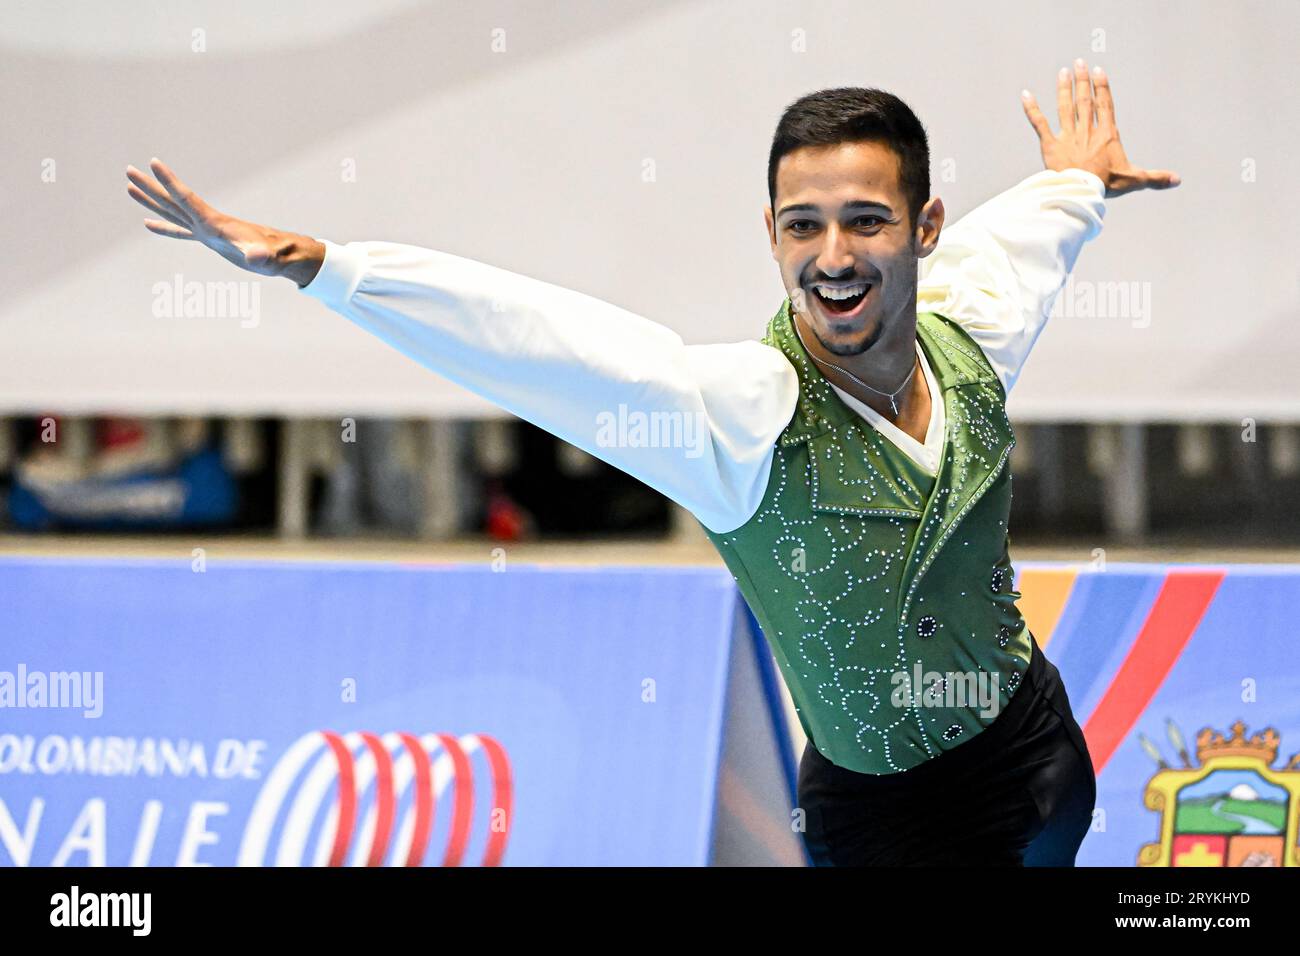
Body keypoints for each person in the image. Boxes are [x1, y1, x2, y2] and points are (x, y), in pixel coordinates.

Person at [126, 58, 1178, 865]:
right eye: (803, 225)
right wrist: (334, 270)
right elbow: (541, 343)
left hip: (1040, 756)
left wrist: (1077, 182)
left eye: (867, 221)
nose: (834, 256)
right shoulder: (739, 418)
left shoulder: (969, 326)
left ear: (925, 228)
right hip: (887, 821)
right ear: (770, 232)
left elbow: (1030, 240)